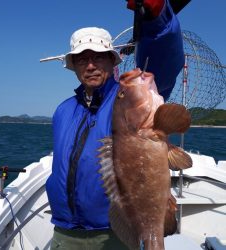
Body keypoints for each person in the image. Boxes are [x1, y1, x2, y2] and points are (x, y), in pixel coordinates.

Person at [46, 0, 184, 249]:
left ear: (113, 61)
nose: (90, 65)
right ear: (74, 66)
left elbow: (163, 58)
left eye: (98, 57)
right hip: (63, 231)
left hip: (113, 233)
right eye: (81, 59)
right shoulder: (63, 110)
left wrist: (156, 18)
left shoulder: (125, 98)